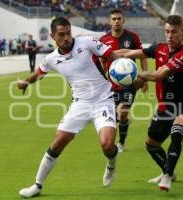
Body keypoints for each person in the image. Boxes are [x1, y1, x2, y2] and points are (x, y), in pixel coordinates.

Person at [18, 17, 119, 198]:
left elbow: (113, 56)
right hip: (80, 104)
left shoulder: (86, 43)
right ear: (53, 36)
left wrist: (124, 72)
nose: (66, 38)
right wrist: (26, 82)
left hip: (103, 100)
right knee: (58, 143)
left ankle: (111, 164)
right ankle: (37, 185)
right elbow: (38, 73)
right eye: (61, 35)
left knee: (107, 144)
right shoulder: (51, 59)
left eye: (68, 33)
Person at [115, 15, 183, 191]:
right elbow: (129, 53)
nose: (170, 36)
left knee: (177, 130)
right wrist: (108, 54)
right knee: (151, 146)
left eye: (174, 32)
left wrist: (131, 73)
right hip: (165, 108)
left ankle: (167, 175)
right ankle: (167, 170)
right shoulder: (159, 48)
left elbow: (157, 76)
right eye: (167, 31)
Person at [99, 8, 148, 153]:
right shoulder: (104, 40)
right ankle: (115, 136)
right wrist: (103, 77)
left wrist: (144, 77)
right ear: (109, 21)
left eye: (119, 19)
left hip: (129, 82)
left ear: (123, 20)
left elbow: (142, 57)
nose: (116, 22)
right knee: (112, 115)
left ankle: (120, 143)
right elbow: (101, 60)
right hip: (110, 84)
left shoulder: (132, 37)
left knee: (122, 112)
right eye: (114, 19)